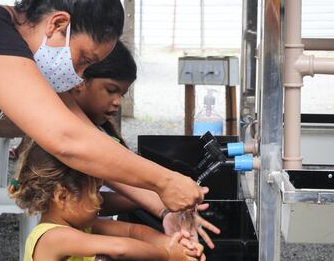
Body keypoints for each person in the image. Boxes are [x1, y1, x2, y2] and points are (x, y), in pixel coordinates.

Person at [0, 0, 205, 211]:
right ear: (58, 24)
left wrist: (162, 207)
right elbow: (66, 139)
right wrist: (165, 181)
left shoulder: (27, 59)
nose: (79, 76)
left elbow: (88, 138)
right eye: (84, 60)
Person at [67, 40, 220, 248]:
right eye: (111, 90)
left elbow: (95, 201)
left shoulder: (97, 135)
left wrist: (165, 206)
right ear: (80, 80)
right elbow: (81, 207)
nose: (118, 102)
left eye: (122, 94)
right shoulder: (68, 135)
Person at [9, 142, 206, 261]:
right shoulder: (52, 237)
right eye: (95, 191)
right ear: (63, 196)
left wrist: (175, 244)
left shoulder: (80, 227)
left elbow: (133, 231)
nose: (102, 199)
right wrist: (167, 255)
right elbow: (119, 248)